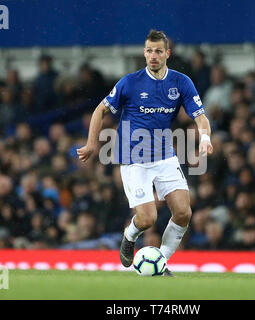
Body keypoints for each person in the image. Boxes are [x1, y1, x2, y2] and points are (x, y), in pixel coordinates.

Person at [77, 30, 213, 276]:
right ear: (144, 53)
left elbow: (200, 117)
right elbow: (100, 110)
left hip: (165, 156)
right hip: (134, 159)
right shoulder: (130, 82)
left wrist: (204, 138)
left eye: (158, 51)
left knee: (183, 212)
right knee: (147, 219)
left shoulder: (181, 82)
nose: (153, 55)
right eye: (149, 51)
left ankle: (160, 262)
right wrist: (91, 144)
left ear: (167, 54)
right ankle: (130, 235)